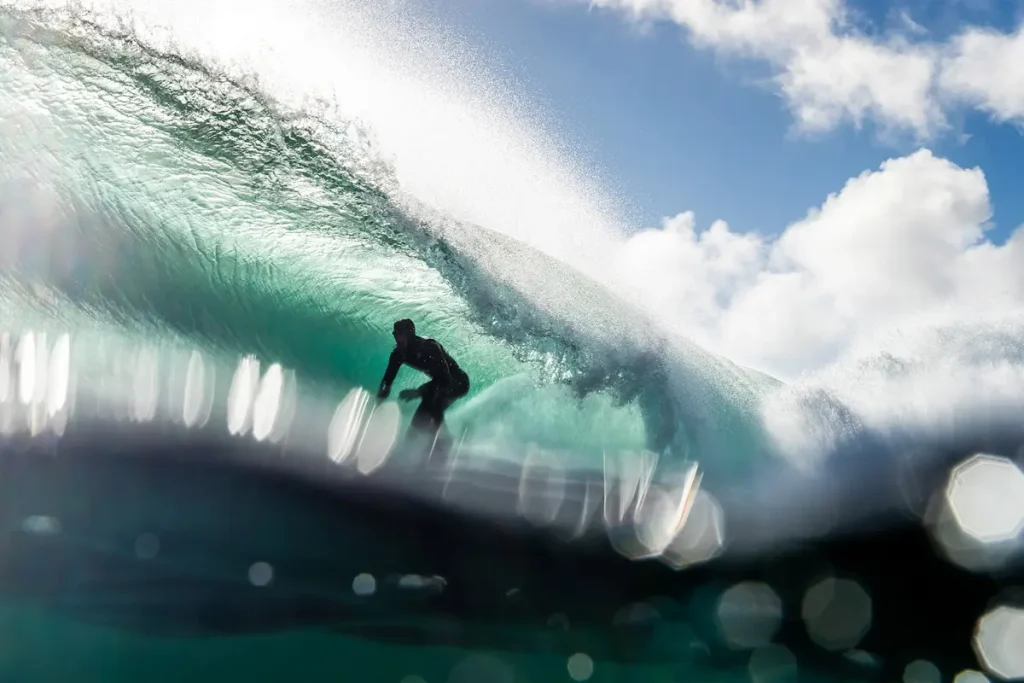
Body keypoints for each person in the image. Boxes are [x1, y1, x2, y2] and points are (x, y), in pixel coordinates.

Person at [377, 319, 470, 442]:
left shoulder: (429, 347)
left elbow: (445, 379)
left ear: (410, 334)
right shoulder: (398, 354)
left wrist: (418, 391)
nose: (396, 337)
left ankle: (443, 440)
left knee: (434, 403)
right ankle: (433, 442)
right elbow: (387, 381)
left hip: (458, 382)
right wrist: (379, 401)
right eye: (395, 334)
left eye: (400, 333)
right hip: (439, 385)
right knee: (419, 424)